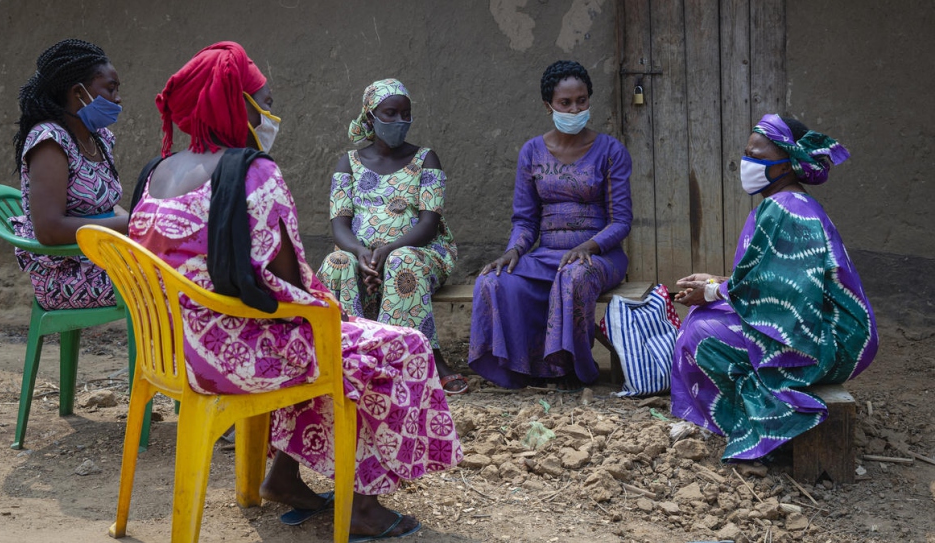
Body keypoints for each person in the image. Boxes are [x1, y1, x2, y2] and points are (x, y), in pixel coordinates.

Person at [128, 42, 460, 540]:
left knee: (332, 343)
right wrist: (338, 313)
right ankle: (364, 506)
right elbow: (291, 283)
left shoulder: (154, 172)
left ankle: (283, 475)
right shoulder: (252, 173)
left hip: (174, 351)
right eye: (258, 99)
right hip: (234, 353)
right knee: (392, 348)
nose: (267, 110)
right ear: (232, 105)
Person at [670, 114, 878, 461]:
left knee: (702, 334)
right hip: (824, 330)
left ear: (787, 166)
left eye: (760, 158)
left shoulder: (787, 208)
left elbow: (789, 298)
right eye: (747, 154)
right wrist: (717, 284)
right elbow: (772, 280)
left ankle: (768, 427)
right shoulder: (785, 203)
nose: (747, 164)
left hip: (832, 342)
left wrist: (713, 291)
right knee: (703, 314)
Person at [468, 60, 633, 390]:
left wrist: (588, 246)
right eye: (566, 103)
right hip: (547, 256)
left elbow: (621, 220)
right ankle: (522, 368)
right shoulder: (531, 151)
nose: (575, 108)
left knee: (574, 274)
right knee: (493, 280)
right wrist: (514, 250)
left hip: (598, 256)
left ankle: (571, 369)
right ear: (549, 106)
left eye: (582, 100)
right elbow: (526, 219)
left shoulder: (611, 151)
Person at [317, 79, 465, 394]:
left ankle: (422, 362)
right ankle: (344, 362)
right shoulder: (349, 163)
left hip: (420, 253)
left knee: (401, 261)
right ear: (370, 117)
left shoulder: (426, 159)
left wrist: (388, 250)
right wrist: (361, 253)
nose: (400, 121)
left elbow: (428, 224)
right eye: (390, 113)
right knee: (336, 262)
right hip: (364, 257)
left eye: (405, 114)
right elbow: (339, 225)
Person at [11, 38, 127, 310]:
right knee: (172, 279)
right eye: (111, 89)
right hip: (66, 274)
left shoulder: (99, 139)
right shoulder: (50, 141)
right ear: (79, 92)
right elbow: (49, 230)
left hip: (101, 260)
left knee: (181, 264)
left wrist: (139, 223)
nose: (118, 98)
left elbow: (108, 207)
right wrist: (133, 226)